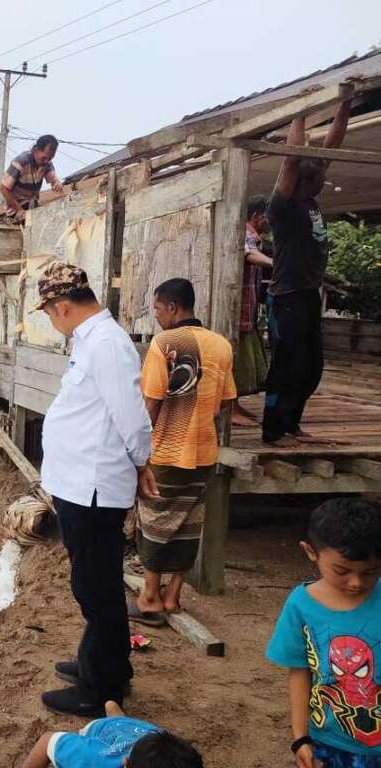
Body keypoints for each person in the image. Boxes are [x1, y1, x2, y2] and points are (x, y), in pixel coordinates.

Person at [35, 261, 154, 716]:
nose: (52, 321)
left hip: (93, 488)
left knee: (96, 588)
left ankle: (98, 688)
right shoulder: (92, 342)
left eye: (50, 313)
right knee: (96, 583)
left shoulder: (106, 344)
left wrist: (143, 462)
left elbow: (131, 415)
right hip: (81, 484)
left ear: (63, 307)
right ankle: (105, 664)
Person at [134, 278, 237, 620]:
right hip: (204, 450)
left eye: (158, 310)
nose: (158, 317)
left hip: (166, 449)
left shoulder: (164, 343)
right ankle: (172, 596)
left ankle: (149, 595)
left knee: (155, 520)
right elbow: (225, 401)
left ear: (173, 308)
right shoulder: (222, 345)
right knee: (190, 522)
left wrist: (136, 449)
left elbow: (152, 402)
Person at [266, 498, 381, 768]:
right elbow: (299, 672)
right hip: (329, 744)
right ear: (310, 551)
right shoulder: (301, 605)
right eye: (342, 571)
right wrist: (300, 737)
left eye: (371, 572)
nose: (356, 582)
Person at [262, 98, 352, 445]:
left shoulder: (311, 201)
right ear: (300, 181)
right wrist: (300, 110)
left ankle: (291, 423)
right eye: (315, 180)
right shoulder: (282, 207)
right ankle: (273, 430)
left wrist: (345, 104)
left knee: (312, 367)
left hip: (308, 293)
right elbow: (291, 157)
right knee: (287, 365)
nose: (322, 183)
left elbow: (332, 146)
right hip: (285, 297)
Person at [21, 700, 204, 768]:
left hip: (141, 732)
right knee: (113, 721)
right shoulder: (96, 759)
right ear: (124, 765)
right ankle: (111, 709)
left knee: (120, 718)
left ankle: (113, 707)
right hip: (101, 730)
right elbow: (47, 741)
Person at [233, 196, 273, 426]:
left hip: (246, 310)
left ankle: (235, 405)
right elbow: (249, 255)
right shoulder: (246, 234)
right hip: (237, 310)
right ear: (257, 216)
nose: (269, 222)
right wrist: (276, 263)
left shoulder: (255, 237)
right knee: (235, 360)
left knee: (242, 360)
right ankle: (230, 408)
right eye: (266, 217)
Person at [0, 135, 65, 221]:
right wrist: (19, 210)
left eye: (50, 158)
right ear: (35, 150)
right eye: (44, 158)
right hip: (15, 208)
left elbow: (53, 179)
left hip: (32, 207)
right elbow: (3, 188)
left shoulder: (47, 163)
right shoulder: (21, 161)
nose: (46, 161)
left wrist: (57, 183)